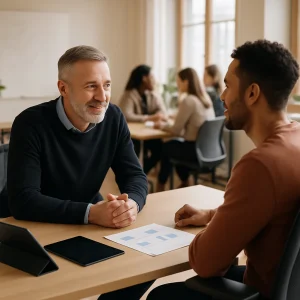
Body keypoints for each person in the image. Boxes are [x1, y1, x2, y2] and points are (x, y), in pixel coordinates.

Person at [147, 40, 300, 300]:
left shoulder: (259, 166)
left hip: (259, 293)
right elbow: (275, 209)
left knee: (160, 296)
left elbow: (205, 263)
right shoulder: (295, 140)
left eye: (228, 85)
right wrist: (211, 214)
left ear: (252, 94)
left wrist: (214, 229)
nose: (221, 96)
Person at [7, 46, 148, 228]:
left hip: (86, 222)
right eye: (91, 86)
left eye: (107, 85)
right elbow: (23, 200)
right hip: (34, 225)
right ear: (63, 88)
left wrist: (131, 205)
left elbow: (134, 175)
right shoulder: (29, 123)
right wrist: (91, 213)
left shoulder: (114, 117)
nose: (102, 97)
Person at [155, 68, 215, 191]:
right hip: (209, 151)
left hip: (195, 151)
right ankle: (185, 181)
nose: (177, 85)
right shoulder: (205, 98)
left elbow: (176, 130)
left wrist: (161, 126)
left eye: (178, 81)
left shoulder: (188, 100)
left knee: (167, 147)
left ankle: (161, 185)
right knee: (176, 145)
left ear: (186, 82)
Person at [119, 65, 167, 174]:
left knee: (160, 151)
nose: (154, 80)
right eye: (152, 77)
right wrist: (150, 118)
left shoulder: (152, 94)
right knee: (135, 151)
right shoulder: (129, 94)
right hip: (134, 135)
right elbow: (126, 115)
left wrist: (159, 114)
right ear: (144, 78)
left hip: (149, 132)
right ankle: (136, 174)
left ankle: (140, 174)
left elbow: (163, 111)